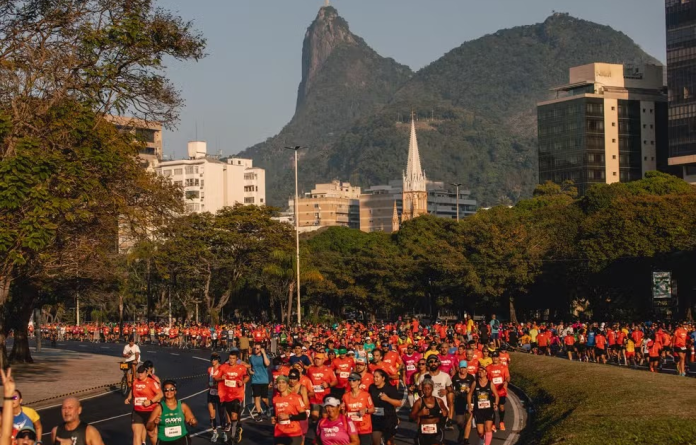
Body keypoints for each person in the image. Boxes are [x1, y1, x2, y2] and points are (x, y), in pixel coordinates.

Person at [146, 380, 197, 445]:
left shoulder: (182, 406)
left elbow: (193, 422)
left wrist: (193, 422)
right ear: (163, 392)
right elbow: (148, 427)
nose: (169, 391)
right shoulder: (159, 408)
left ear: (175, 391)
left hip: (181, 440)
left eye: (171, 389)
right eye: (166, 390)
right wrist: (154, 423)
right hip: (164, 441)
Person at [215, 348, 249, 443]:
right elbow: (216, 378)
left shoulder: (241, 368)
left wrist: (242, 382)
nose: (231, 360)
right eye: (230, 358)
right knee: (231, 416)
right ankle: (238, 427)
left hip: (237, 395)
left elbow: (247, 377)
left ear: (236, 359)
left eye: (233, 358)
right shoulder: (223, 367)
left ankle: (233, 437)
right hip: (226, 395)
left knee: (234, 415)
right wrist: (221, 378)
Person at [126, 364, 163, 445]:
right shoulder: (135, 381)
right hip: (137, 411)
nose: (140, 375)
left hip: (150, 411)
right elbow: (132, 390)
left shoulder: (152, 382)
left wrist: (151, 401)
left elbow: (160, 394)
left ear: (146, 373)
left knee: (151, 433)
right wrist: (128, 398)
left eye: (142, 373)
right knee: (136, 434)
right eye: (139, 373)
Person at [410, 378, 447, 445]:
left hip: (436, 431)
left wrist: (444, 414)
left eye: (429, 388)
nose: (426, 391)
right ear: (422, 389)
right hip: (423, 433)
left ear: (432, 389)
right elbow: (411, 418)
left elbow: (446, 413)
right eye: (425, 389)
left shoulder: (439, 401)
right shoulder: (418, 402)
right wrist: (420, 414)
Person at [272, 375, 307, 445]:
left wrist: (289, 416)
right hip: (280, 432)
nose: (281, 385)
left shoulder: (296, 397)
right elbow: (275, 413)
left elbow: (303, 416)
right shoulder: (275, 399)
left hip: (293, 432)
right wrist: (273, 418)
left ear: (287, 384)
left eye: (283, 382)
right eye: (279, 383)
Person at [368, 369, 400, 445]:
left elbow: (399, 403)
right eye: (374, 377)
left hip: (388, 419)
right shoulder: (372, 387)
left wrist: (387, 399)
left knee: (389, 442)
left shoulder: (390, 388)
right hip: (376, 419)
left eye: (377, 377)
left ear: (383, 378)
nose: (375, 379)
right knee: (375, 441)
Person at [468, 366, 499, 445]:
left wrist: (496, 404)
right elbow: (469, 394)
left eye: (482, 371)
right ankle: (482, 439)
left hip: (489, 409)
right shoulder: (475, 383)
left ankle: (487, 443)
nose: (480, 372)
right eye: (479, 371)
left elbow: (496, 395)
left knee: (488, 428)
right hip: (478, 410)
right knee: (480, 431)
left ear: (486, 373)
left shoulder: (490, 383)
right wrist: (469, 405)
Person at [342, 373, 375, 445]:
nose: (351, 382)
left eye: (354, 380)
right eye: (350, 380)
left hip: (364, 428)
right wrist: (344, 413)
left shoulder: (366, 395)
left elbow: (372, 409)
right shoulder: (345, 396)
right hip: (351, 429)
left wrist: (365, 410)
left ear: (359, 382)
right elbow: (343, 412)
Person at [452, 360, 475, 445]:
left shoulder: (471, 377)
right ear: (459, 368)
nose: (463, 370)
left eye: (464, 368)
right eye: (461, 368)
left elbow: (474, 388)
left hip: (469, 401)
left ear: (467, 369)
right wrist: (456, 393)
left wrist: (470, 391)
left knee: (468, 420)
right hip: (459, 401)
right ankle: (462, 433)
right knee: (459, 422)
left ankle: (466, 439)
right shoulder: (455, 378)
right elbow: (452, 389)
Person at [486, 352, 510, 431]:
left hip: (501, 391)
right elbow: (486, 379)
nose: (495, 359)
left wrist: (506, 382)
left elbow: (507, 377)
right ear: (491, 358)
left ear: (499, 358)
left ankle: (501, 422)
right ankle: (493, 424)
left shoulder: (504, 367)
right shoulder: (488, 367)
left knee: (501, 407)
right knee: (493, 408)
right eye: (493, 357)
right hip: (492, 391)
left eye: (496, 357)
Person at [207, 353, 226, 443]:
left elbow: (224, 379)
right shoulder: (209, 369)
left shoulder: (222, 368)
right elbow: (209, 380)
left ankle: (223, 432)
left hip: (220, 394)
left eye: (214, 359)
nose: (213, 361)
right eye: (212, 359)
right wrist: (209, 384)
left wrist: (219, 381)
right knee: (212, 415)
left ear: (218, 360)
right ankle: (215, 432)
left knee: (221, 414)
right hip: (211, 393)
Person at [250, 343, 271, 420]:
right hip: (255, 380)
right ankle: (259, 414)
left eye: (258, 348)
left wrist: (264, 353)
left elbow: (267, 364)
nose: (256, 350)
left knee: (264, 398)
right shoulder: (251, 357)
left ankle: (267, 407)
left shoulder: (265, 356)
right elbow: (249, 367)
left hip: (264, 380)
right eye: (255, 348)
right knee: (256, 398)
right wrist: (250, 371)